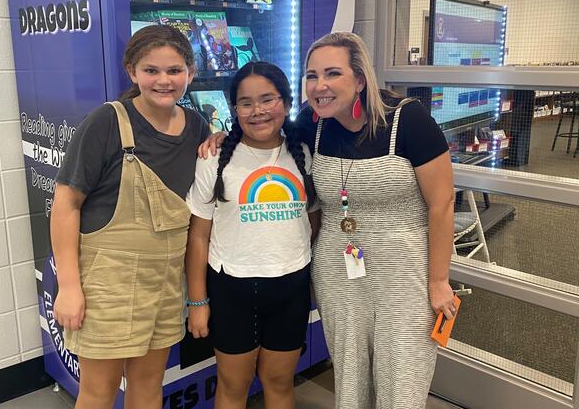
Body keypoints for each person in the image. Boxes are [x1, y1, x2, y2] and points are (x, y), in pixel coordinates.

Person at [200, 32, 455, 409]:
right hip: (338, 269)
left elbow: (442, 202)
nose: (319, 86)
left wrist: (439, 280)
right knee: (348, 375)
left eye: (332, 73)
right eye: (311, 75)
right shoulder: (311, 123)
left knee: (403, 375)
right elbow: (262, 133)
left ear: (360, 78)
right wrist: (222, 136)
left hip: (404, 269)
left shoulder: (408, 120)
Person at [51, 25, 209, 409]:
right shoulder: (107, 123)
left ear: (190, 72)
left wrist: (195, 299)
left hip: (166, 281)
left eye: (174, 70)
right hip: (109, 281)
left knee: (149, 386)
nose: (163, 80)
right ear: (132, 71)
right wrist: (69, 287)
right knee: (99, 391)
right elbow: (65, 204)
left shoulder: (198, 128)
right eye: (151, 70)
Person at [185, 61, 317, 409]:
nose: (258, 111)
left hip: (291, 288)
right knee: (233, 385)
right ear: (235, 109)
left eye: (268, 99)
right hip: (232, 290)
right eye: (246, 102)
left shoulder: (302, 153)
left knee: (279, 382)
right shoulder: (214, 158)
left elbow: (312, 219)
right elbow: (198, 236)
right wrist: (197, 303)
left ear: (287, 104)